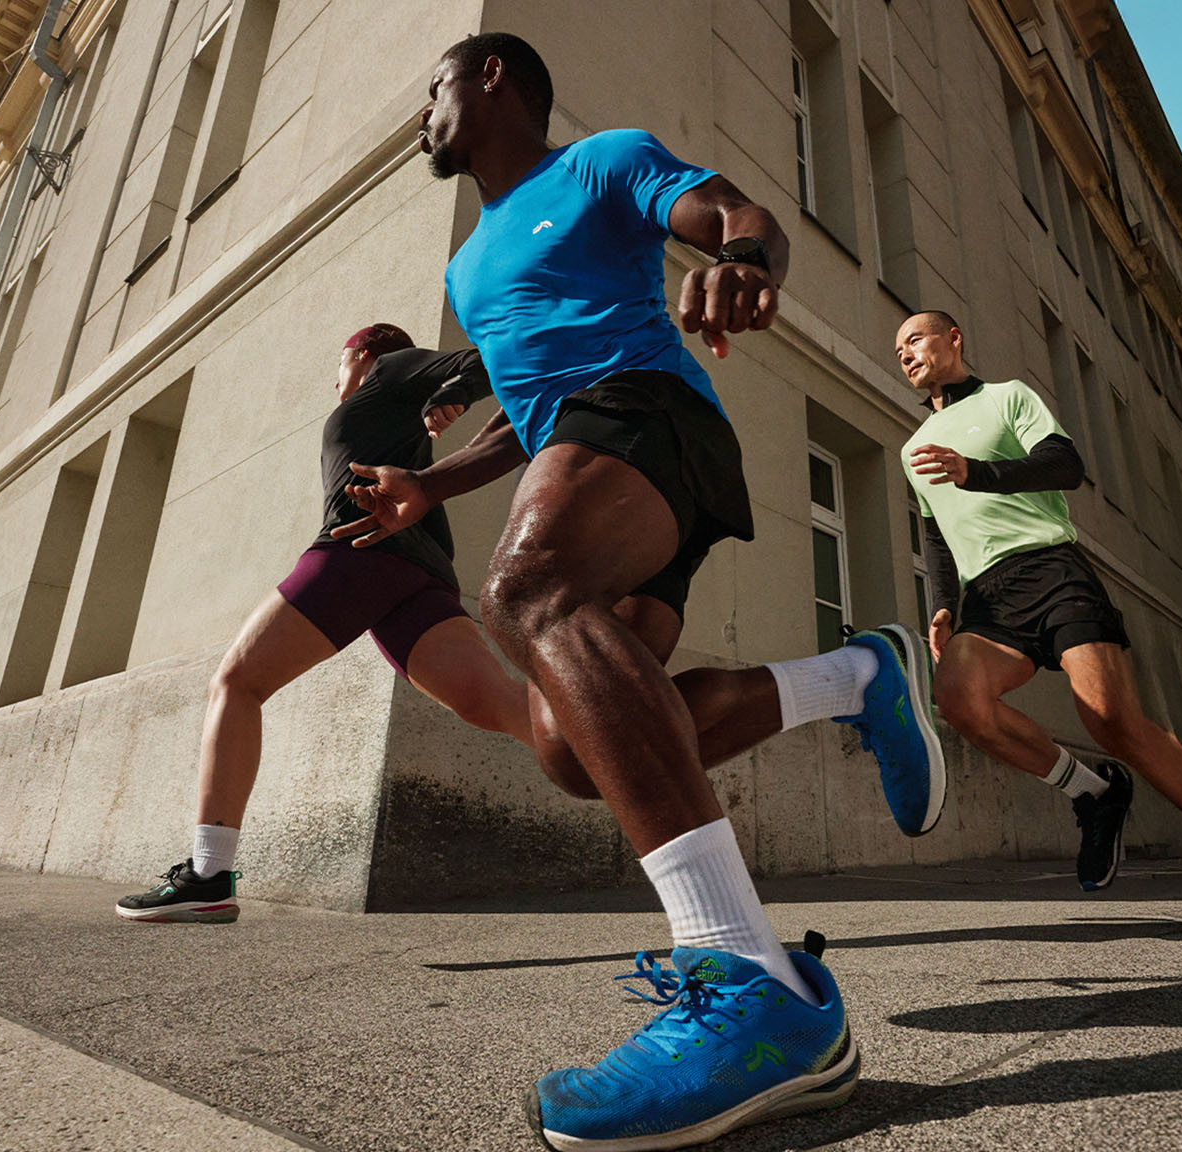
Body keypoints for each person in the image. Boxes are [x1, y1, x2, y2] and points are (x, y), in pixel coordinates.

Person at [335, 32, 947, 1150]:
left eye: (434, 88)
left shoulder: (600, 162)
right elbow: (524, 412)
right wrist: (429, 485)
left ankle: (745, 976)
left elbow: (736, 214)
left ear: (492, 78)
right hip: (588, 451)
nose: (422, 114)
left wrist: (747, 262)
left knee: (526, 589)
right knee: (578, 749)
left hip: (651, 414)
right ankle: (856, 677)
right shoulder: (465, 268)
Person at [114, 324, 535, 924]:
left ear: (360, 354)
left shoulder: (389, 370)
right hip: (418, 573)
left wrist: (458, 391)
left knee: (236, 683)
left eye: (339, 363)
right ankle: (640, 766)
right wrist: (453, 393)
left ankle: (208, 874)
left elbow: (497, 353)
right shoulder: (394, 405)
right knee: (500, 706)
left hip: (359, 553)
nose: (335, 379)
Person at [895, 309, 1182, 928]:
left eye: (915, 339)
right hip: (986, 596)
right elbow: (935, 534)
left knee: (1111, 720)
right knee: (960, 701)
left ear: (953, 339)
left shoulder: (1007, 397)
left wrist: (977, 472)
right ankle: (1094, 793)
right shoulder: (912, 448)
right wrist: (942, 606)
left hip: (1052, 568)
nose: (906, 354)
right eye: (899, 351)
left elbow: (1065, 467)